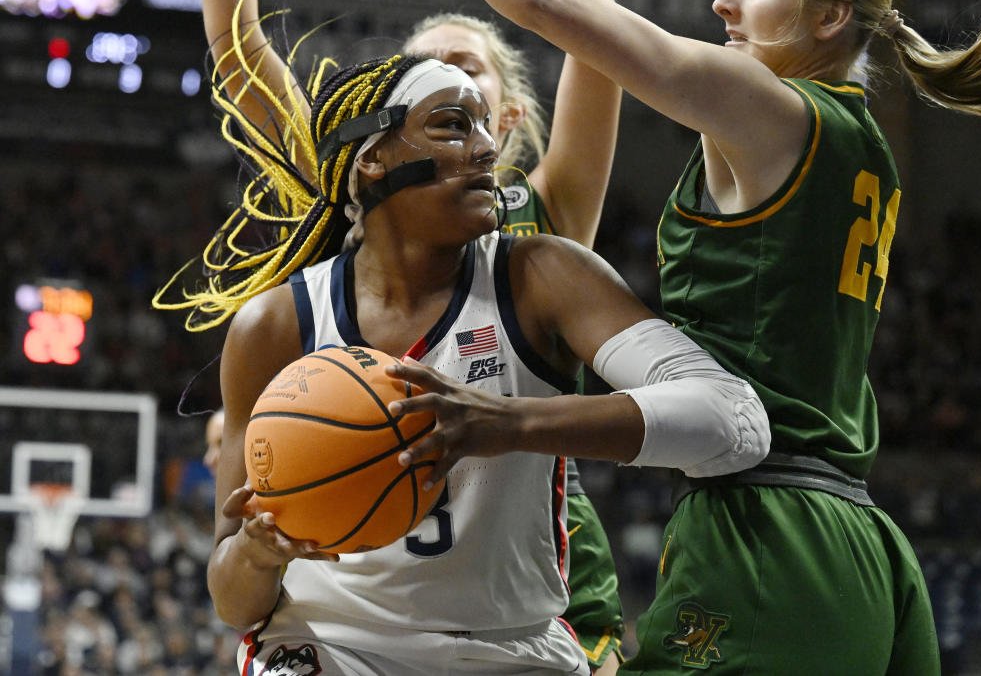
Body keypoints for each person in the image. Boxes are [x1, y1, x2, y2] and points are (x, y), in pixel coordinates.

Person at [363, 0, 981, 671]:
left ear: (830, 16)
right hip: (859, 542)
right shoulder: (830, 127)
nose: (722, 2)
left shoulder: (768, 112)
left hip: (766, 530)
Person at [157, 53, 770, 674]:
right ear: (370, 157)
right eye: (452, 124)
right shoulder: (278, 324)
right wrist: (259, 555)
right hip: (331, 644)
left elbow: (738, 422)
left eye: (484, 126)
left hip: (513, 645)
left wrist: (509, 423)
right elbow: (234, 603)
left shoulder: (541, 276)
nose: (485, 149)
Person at [190, 0, 625, 669]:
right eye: (421, 75)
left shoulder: (543, 220)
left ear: (510, 117)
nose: (441, 82)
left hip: (525, 576)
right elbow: (239, 53)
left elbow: (594, 26)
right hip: (360, 601)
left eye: (464, 70)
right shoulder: (352, 198)